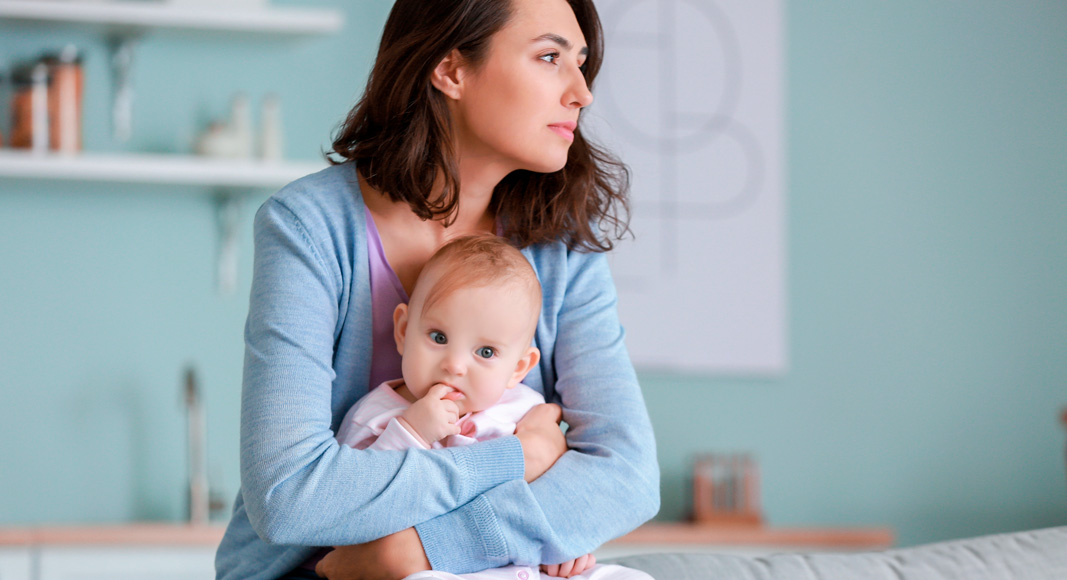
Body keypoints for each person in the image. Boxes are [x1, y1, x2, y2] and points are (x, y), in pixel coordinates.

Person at [214, 0, 659, 578]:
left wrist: (413, 552)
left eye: (580, 62)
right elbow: (289, 497)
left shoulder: (563, 247)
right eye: (549, 57)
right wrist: (514, 462)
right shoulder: (310, 226)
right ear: (451, 70)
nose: (582, 92)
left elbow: (627, 472)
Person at [334, 234, 651, 580]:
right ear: (403, 330)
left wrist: (562, 544)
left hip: (521, 563)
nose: (454, 365)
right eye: (438, 337)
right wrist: (412, 431)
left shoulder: (526, 411)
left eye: (485, 352)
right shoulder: (375, 417)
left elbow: (558, 494)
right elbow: (350, 506)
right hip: (432, 568)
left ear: (518, 368)